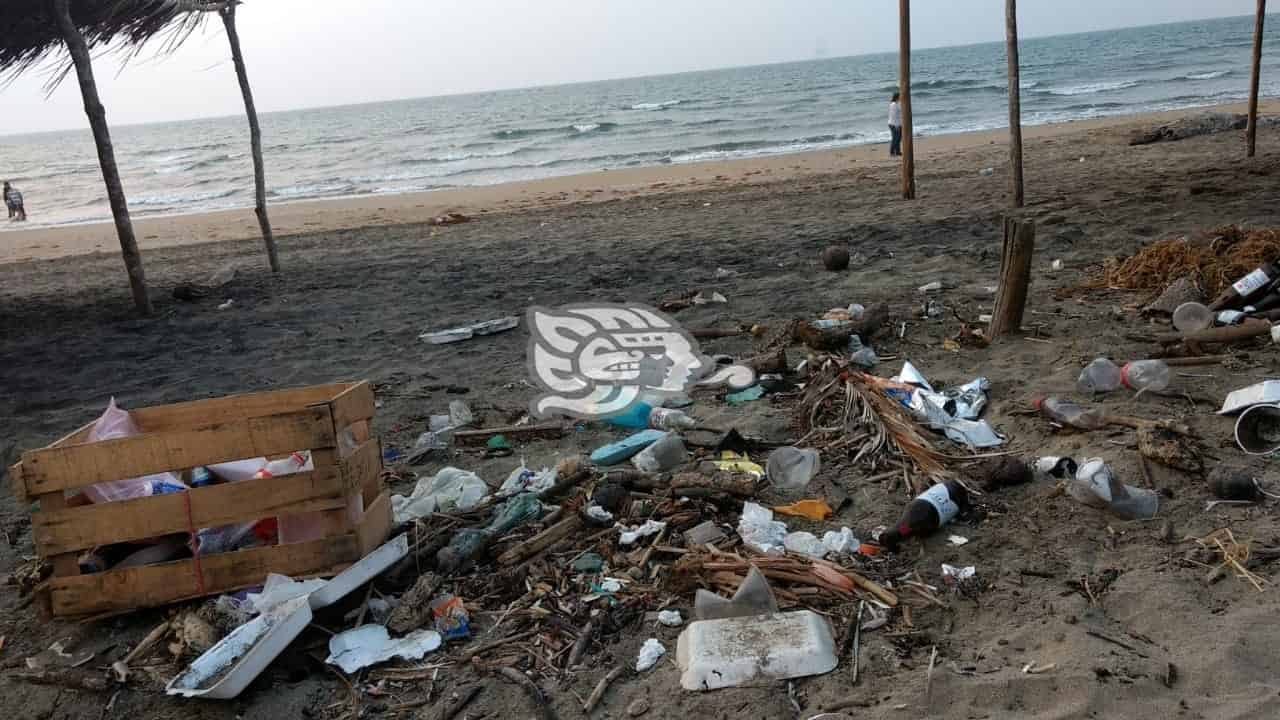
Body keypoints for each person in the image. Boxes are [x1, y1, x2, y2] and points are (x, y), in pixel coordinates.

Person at [888, 92, 903, 158]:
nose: (901, 97)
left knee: (898, 138)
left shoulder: (896, 104)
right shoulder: (894, 104)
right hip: (894, 124)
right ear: (897, 97)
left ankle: (898, 152)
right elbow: (894, 115)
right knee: (895, 138)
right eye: (900, 96)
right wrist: (897, 125)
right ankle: (892, 152)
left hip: (897, 123)